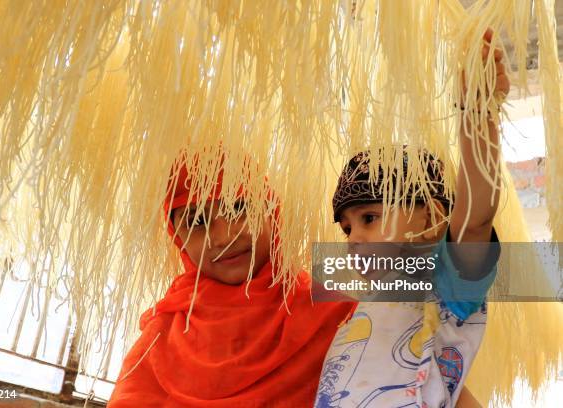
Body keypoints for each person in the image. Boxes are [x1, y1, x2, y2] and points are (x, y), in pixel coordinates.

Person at [314, 29, 508, 408]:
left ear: (433, 215)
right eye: (347, 227)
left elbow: (475, 219)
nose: (353, 237)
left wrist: (477, 112)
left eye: (370, 216)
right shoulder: (365, 309)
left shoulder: (444, 286)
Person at [107, 161, 355, 407]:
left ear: (272, 211)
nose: (224, 236)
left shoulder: (338, 309)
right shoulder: (164, 336)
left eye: (238, 207)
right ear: (178, 239)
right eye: (197, 222)